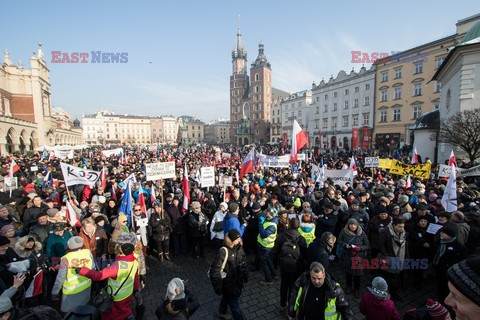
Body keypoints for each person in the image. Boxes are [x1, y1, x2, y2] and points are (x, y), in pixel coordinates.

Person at [77, 232, 140, 320]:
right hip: (128, 295)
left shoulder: (117, 266)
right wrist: (136, 290)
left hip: (116, 298)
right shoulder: (135, 260)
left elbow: (99, 276)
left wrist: (82, 270)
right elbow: (135, 278)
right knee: (125, 310)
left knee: (112, 316)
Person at [288, 262, 353, 320]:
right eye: (313, 278)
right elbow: (293, 295)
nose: (316, 281)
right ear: (310, 274)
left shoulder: (334, 290)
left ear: (324, 275)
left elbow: (345, 309)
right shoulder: (303, 282)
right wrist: (291, 313)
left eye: (319, 278)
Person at [210, 229, 248, 320]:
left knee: (226, 297)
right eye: (236, 239)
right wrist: (218, 287)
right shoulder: (223, 251)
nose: (238, 240)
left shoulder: (239, 246)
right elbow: (215, 271)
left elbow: (243, 259)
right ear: (230, 240)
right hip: (229, 284)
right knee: (235, 307)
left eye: (239, 238)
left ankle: (222, 312)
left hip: (237, 281)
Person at [271, 218, 307, 311]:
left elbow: (275, 251)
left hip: (284, 265)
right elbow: (304, 254)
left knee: (284, 284)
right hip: (296, 267)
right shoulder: (301, 239)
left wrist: (275, 264)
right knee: (293, 286)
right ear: (298, 227)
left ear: (289, 225)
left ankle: (283, 304)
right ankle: (291, 307)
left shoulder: (282, 236)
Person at [51, 236, 95, 313]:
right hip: (86, 286)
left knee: (69, 313)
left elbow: (60, 278)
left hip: (71, 292)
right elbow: (93, 268)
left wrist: (54, 292)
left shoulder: (66, 258)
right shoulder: (87, 252)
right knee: (82, 311)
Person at [433, 223, 467, 303]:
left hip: (448, 270)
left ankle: (444, 301)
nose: (441, 233)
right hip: (438, 268)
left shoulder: (458, 246)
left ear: (449, 235)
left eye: (444, 233)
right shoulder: (439, 241)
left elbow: (462, 259)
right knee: (440, 285)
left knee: (445, 287)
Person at [337, 218, 369, 298]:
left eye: (354, 225)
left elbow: (367, 245)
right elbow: (339, 240)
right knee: (348, 272)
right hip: (347, 255)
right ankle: (348, 286)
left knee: (358, 274)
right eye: (351, 225)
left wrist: (360, 248)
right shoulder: (344, 232)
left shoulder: (361, 233)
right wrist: (345, 245)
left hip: (358, 257)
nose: (353, 226)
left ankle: (357, 288)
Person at [379, 217, 407, 301]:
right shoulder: (385, 232)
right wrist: (387, 257)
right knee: (389, 279)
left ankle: (394, 293)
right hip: (389, 259)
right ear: (393, 225)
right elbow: (381, 245)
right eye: (399, 227)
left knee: (396, 278)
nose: (402, 229)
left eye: (403, 227)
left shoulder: (404, 233)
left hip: (400, 258)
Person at [257, 207, 278, 286]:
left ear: (271, 215)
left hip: (265, 246)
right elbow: (263, 214)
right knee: (268, 260)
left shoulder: (272, 225)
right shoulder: (270, 220)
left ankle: (268, 279)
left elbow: (263, 235)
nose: (266, 213)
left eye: (268, 212)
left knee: (264, 263)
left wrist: (260, 223)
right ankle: (274, 274)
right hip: (266, 246)